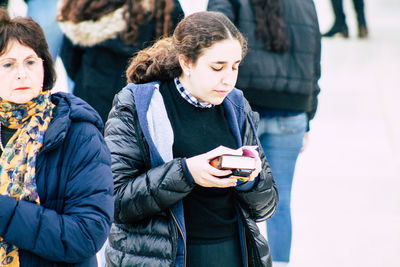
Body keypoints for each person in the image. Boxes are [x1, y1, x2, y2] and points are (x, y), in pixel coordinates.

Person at [104, 11, 278, 267]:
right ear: (186, 62)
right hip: (163, 258)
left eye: (235, 66)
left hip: (233, 253)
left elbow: (267, 205)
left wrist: (249, 180)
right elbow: (115, 200)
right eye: (217, 67)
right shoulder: (139, 104)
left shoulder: (236, 105)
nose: (228, 79)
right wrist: (185, 173)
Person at [207, 0, 321, 266]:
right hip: (291, 111)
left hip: (240, 111)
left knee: (225, 196)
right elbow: (315, 56)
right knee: (280, 201)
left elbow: (210, 43)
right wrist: (308, 114)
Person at [0, 8, 114, 266]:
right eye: (7, 64)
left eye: (30, 62)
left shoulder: (78, 131)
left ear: (44, 67)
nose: (22, 73)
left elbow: (86, 234)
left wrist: (3, 211)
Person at [57, 0, 184, 124]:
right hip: (141, 104)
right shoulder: (162, 6)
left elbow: (69, 57)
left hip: (90, 98)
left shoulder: (84, 6)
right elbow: (177, 54)